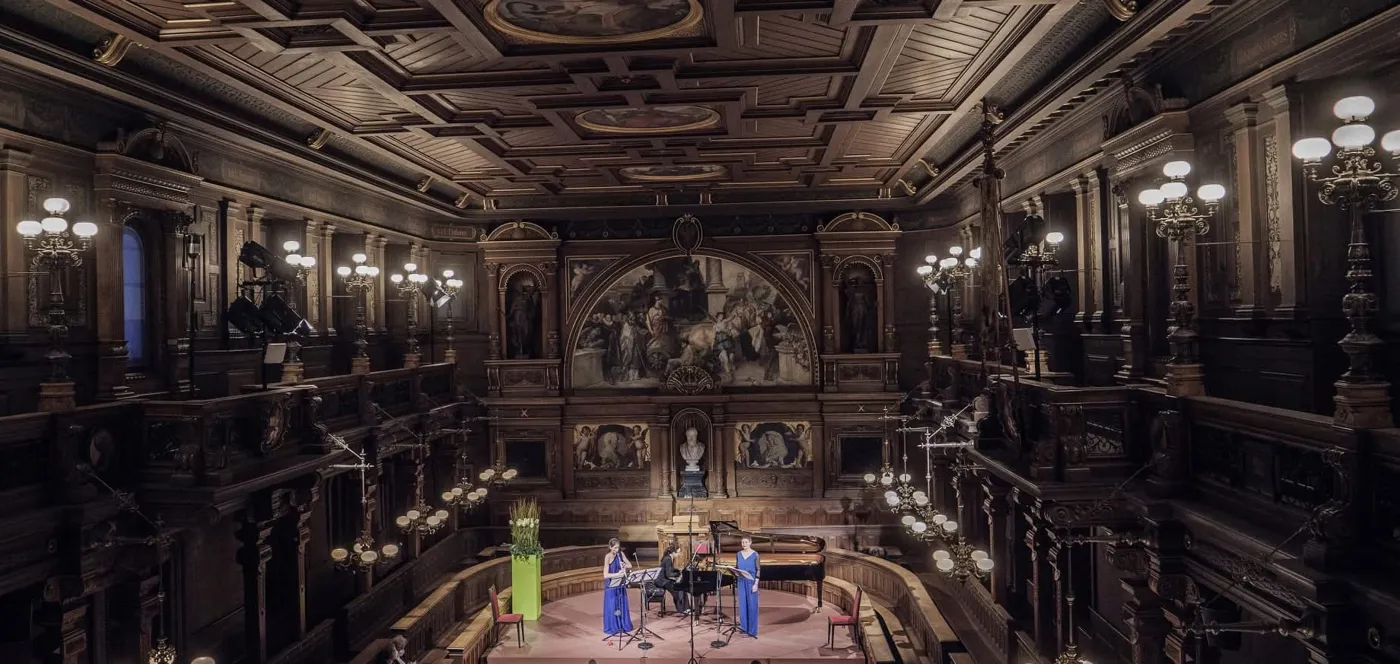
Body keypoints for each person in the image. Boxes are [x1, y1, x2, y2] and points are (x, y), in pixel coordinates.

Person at [602, 538, 634, 637]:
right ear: (610, 547)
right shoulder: (608, 557)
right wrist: (617, 574)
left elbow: (630, 565)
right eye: (615, 547)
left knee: (621, 605)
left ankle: (622, 624)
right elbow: (605, 575)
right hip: (611, 585)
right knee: (613, 606)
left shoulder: (620, 554)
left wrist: (624, 566)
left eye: (618, 547)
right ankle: (613, 626)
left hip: (620, 584)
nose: (617, 549)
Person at [735, 535, 760, 637]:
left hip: (751, 582)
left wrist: (756, 584)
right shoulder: (738, 554)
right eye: (742, 542)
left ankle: (752, 630)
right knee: (743, 605)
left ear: (750, 542)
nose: (744, 544)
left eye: (746, 542)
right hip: (741, 581)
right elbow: (737, 567)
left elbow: (758, 569)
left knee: (752, 606)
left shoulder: (755, 554)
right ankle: (744, 628)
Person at [657, 542, 691, 615]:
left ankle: (685, 608)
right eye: (678, 552)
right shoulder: (668, 559)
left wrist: (678, 570)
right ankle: (683, 609)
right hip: (662, 581)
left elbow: (670, 569)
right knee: (679, 589)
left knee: (681, 588)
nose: (678, 554)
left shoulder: (669, 557)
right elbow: (668, 574)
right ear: (673, 552)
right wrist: (678, 574)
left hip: (665, 579)